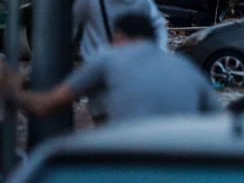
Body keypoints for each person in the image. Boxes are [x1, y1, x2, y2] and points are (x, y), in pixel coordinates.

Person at [3, 13, 221, 124]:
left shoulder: (108, 58)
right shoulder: (185, 67)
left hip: (128, 164)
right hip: (182, 169)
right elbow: (221, 123)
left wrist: (12, 91)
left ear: (120, 36)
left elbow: (45, 105)